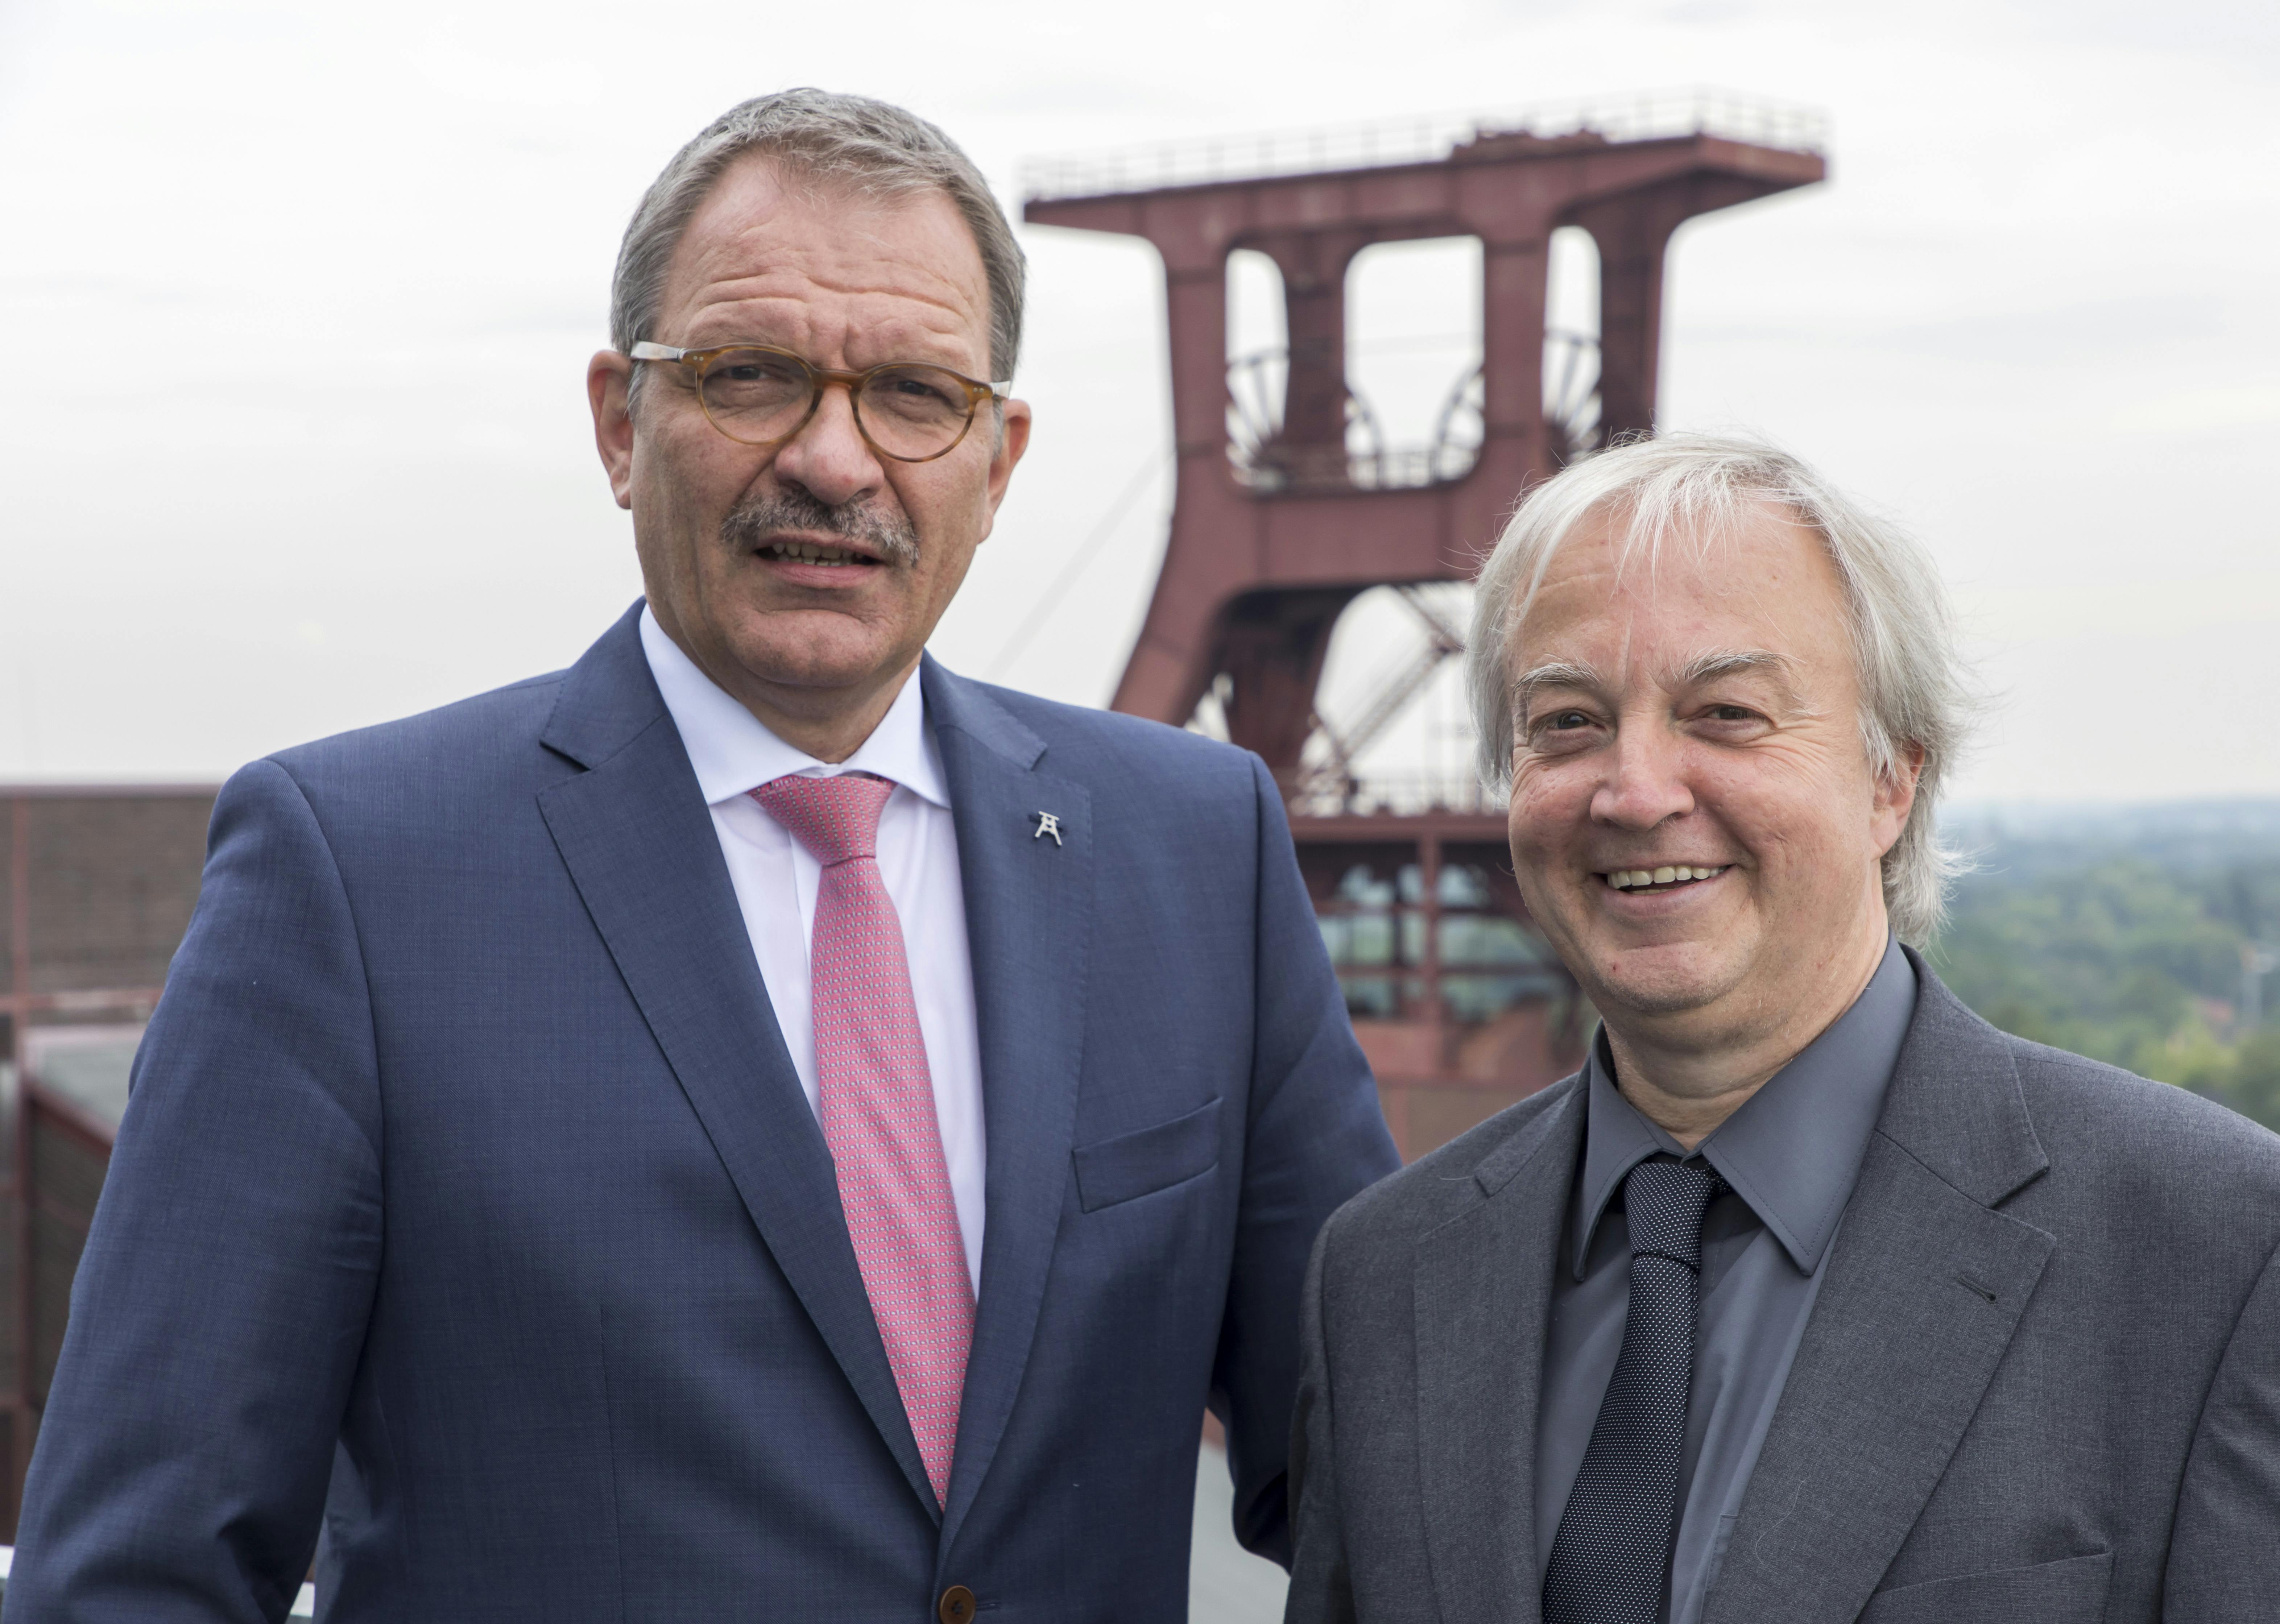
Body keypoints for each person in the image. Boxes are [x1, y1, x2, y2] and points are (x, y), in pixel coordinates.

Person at [8, 88, 1399, 1621]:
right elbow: (136, 1571)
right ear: (622, 422)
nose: (834, 459)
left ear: (997, 462)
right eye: (750, 375)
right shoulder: (351, 879)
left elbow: (1379, 1473)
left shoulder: (1197, 852)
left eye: (914, 395)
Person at [1286, 432, 2280, 1624]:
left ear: (1892, 781)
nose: (1634, 791)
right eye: (1568, 723)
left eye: (1725, 713)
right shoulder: (1383, 1280)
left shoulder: (2229, 1265)